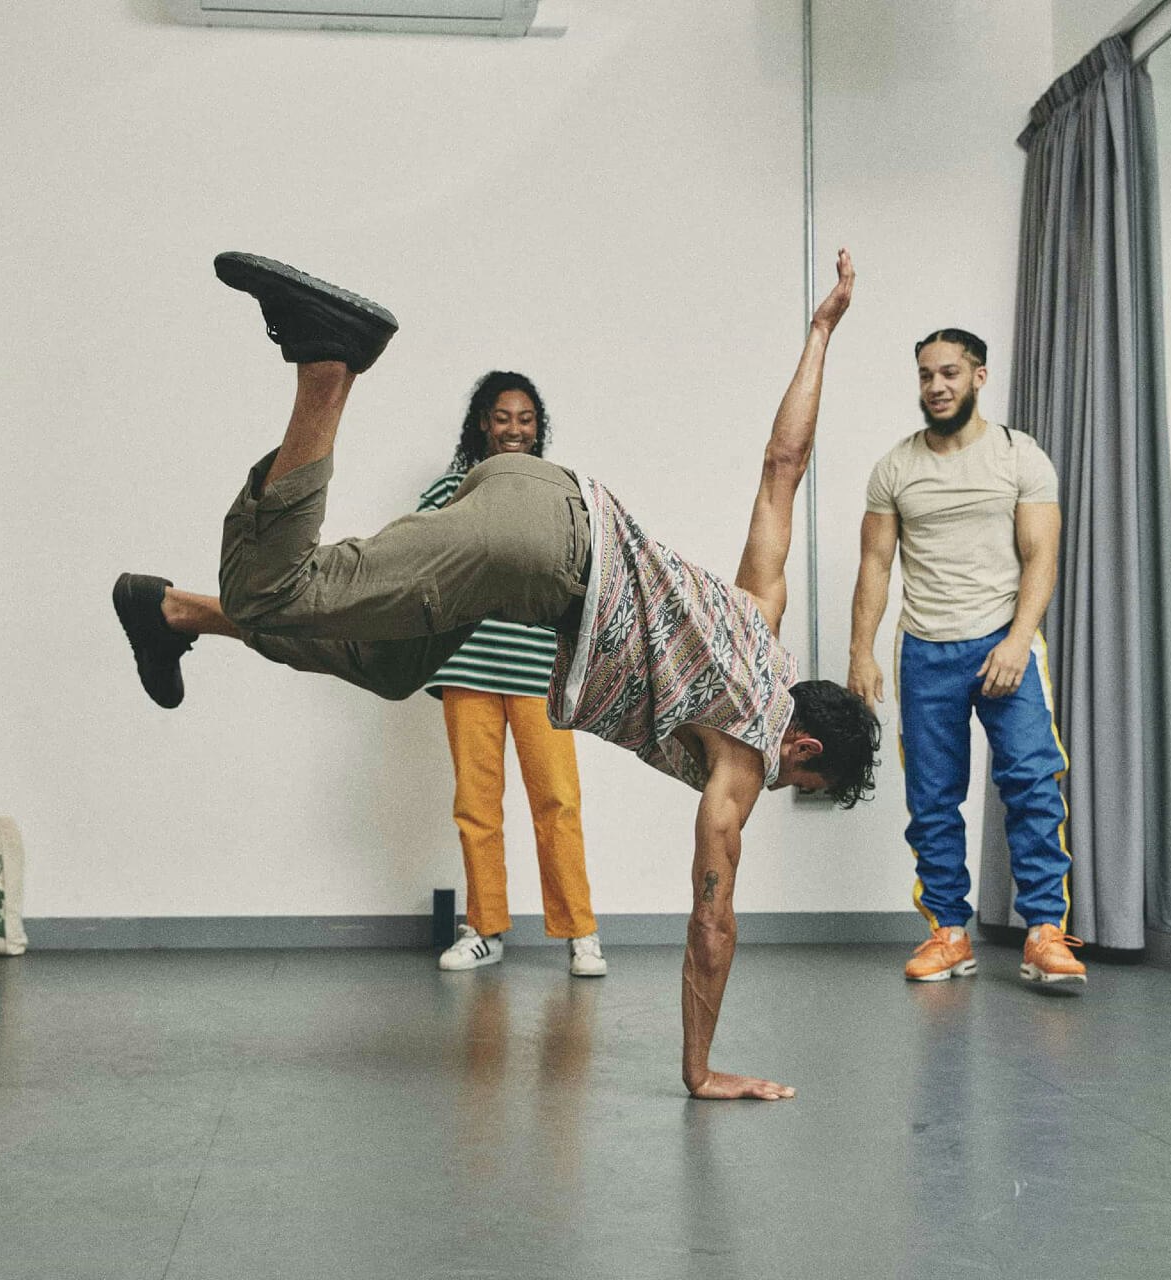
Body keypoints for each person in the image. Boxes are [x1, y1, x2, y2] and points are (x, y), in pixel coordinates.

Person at [111, 249, 878, 1100]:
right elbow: (711, 927)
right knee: (276, 589)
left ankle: (174, 613)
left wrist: (820, 333)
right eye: (800, 778)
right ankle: (326, 366)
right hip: (537, 555)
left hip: (537, 505)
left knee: (384, 665)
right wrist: (700, 1073)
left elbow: (783, 467)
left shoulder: (761, 619)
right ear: (801, 742)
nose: (778, 788)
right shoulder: (741, 759)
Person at [846, 328, 1083, 985]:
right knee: (932, 799)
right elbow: (874, 565)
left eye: (949, 373)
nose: (936, 386)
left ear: (979, 377)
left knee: (1034, 784)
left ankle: (1044, 934)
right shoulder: (894, 467)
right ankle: (949, 933)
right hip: (925, 649)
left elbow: (1043, 558)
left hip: (1004, 642)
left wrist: (1015, 639)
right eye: (925, 375)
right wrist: (860, 652)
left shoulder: (1019, 456)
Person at [418, 372, 604, 977]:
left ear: (537, 426)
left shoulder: (559, 493)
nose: (514, 429)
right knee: (477, 805)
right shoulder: (450, 489)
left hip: (539, 671)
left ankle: (580, 933)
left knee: (558, 801)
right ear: (482, 422)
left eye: (525, 419)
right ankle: (486, 928)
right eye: (503, 417)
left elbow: (588, 570)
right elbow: (419, 563)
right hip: (467, 669)